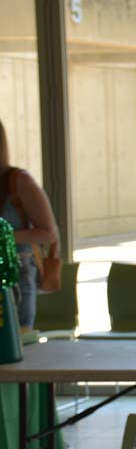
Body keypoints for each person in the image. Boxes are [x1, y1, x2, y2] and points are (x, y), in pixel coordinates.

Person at [0, 118, 59, 331]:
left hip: (16, 276)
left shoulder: (19, 181)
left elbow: (49, 233)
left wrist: (5, 235)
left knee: (15, 342)